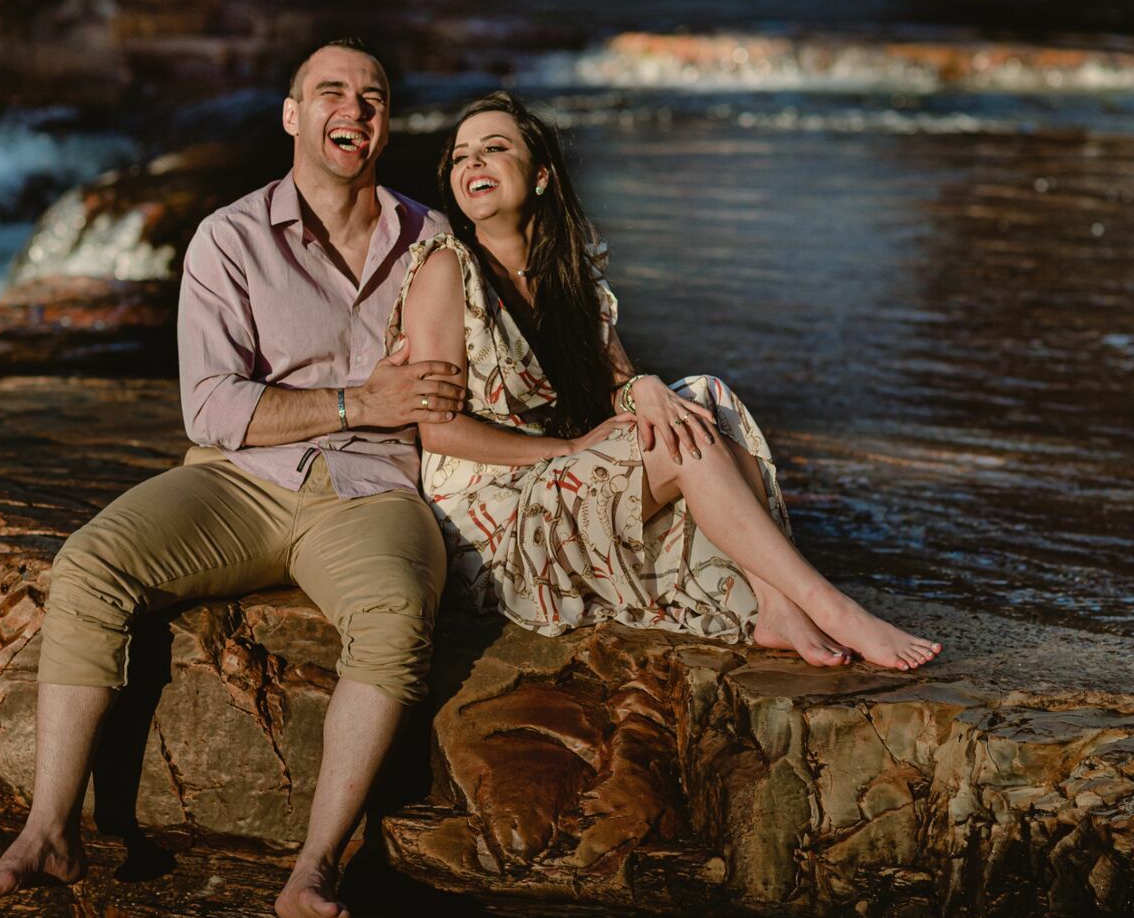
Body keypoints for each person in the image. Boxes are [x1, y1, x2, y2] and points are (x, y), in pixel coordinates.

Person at [0, 38, 466, 918]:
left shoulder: (432, 241)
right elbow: (211, 407)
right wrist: (359, 397)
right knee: (92, 564)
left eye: (374, 96)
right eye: (333, 92)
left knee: (395, 616)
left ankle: (313, 872)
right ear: (294, 116)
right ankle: (48, 833)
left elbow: (507, 346)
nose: (356, 109)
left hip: (375, 492)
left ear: (388, 122)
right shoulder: (229, 238)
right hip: (243, 483)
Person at [388, 92, 942, 671]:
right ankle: (828, 605)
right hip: (493, 519)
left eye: (494, 149)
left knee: (701, 397)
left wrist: (642, 388)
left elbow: (618, 384)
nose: (472, 163)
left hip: (558, 482)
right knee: (677, 439)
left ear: (543, 175)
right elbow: (439, 430)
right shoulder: (446, 268)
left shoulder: (568, 272)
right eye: (459, 157)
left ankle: (777, 604)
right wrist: (570, 448)